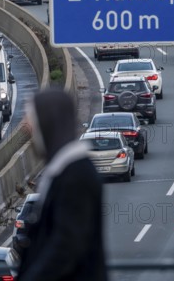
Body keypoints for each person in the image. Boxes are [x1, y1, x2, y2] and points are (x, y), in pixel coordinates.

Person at [17, 89, 107, 281]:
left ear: (47, 125)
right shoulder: (63, 171)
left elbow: (67, 245)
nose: (25, 127)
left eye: (31, 123)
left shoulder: (76, 176)